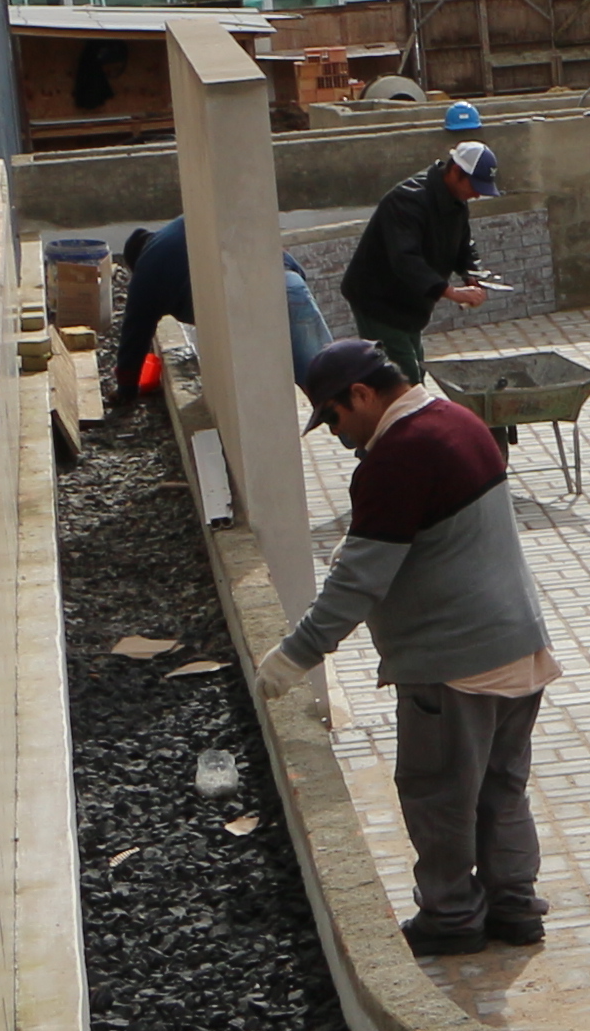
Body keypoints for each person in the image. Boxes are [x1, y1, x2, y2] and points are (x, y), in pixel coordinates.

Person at [257, 337, 556, 960]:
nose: (340, 436)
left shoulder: (398, 456)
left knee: (439, 794)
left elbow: (360, 579)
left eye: (335, 416)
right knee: (501, 790)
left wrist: (295, 656)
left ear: (361, 394)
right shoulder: (459, 422)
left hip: (453, 665)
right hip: (519, 647)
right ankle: (516, 909)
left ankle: (450, 919)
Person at [104, 218, 329, 421]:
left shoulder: (146, 272)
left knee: (267, 405)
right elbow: (261, 235)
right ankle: (362, 447)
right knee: (329, 383)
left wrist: (126, 389)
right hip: (289, 284)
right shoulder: (187, 222)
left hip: (244, 314)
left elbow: (134, 336)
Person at [339, 137, 498, 380]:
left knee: (415, 370)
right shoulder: (407, 200)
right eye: (475, 186)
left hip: (411, 306)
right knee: (403, 381)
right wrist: (449, 291)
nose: (477, 194)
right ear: (455, 172)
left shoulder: (455, 200)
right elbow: (405, 259)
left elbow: (464, 243)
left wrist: (472, 275)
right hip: (379, 301)